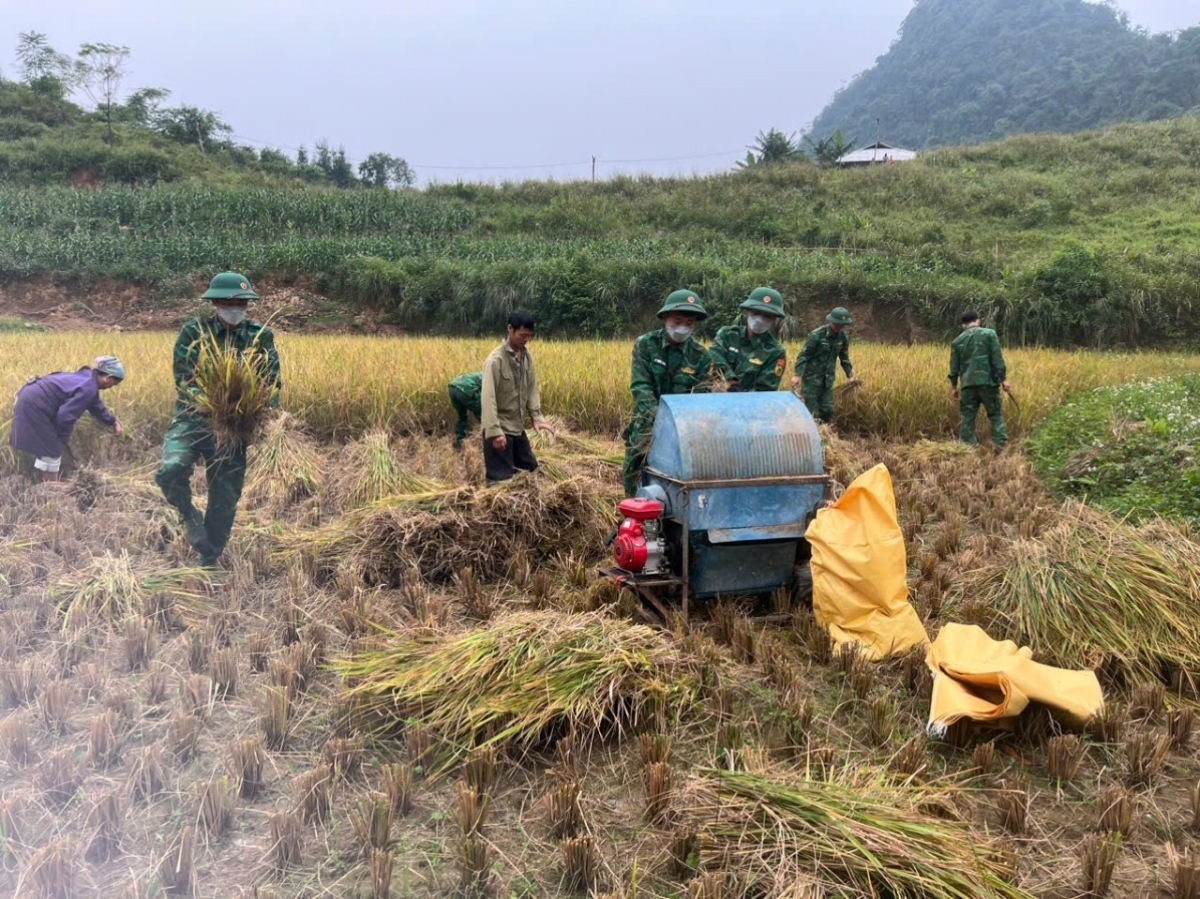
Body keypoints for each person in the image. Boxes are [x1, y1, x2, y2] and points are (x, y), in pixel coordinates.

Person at [155, 272, 281, 567]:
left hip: (235, 427)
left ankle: (209, 557)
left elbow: (272, 381)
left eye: (240, 302)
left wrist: (257, 410)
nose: (234, 306)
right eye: (227, 301)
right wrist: (214, 405)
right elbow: (184, 380)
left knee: (225, 498)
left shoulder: (260, 336)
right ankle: (188, 514)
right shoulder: (194, 333)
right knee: (170, 469)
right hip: (194, 418)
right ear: (214, 303)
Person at [622, 289, 713, 497]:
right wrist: (659, 421)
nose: (682, 327)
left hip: (683, 432)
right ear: (665, 317)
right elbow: (640, 385)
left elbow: (700, 397)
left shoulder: (701, 356)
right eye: (677, 321)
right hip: (648, 425)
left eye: (689, 323)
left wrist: (678, 427)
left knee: (678, 480)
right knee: (635, 474)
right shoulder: (646, 344)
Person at [10, 356, 125, 482]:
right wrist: (62, 438)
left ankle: (38, 479)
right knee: (52, 449)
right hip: (34, 406)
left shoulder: (86, 379)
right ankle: (51, 490)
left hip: (27, 395)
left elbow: (96, 406)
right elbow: (65, 416)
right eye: (113, 384)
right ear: (108, 379)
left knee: (47, 444)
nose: (111, 387)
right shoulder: (88, 388)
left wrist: (112, 421)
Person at [479, 310, 553, 486]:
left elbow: (531, 387)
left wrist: (537, 416)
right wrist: (495, 432)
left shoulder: (526, 357)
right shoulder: (495, 361)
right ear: (510, 329)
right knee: (501, 483)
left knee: (531, 472)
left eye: (529, 336)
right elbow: (487, 398)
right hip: (500, 428)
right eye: (522, 335)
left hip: (517, 428)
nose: (526, 339)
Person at [949, 311, 1011, 449]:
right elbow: (997, 359)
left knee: (968, 419)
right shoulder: (990, 334)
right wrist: (1004, 380)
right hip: (988, 383)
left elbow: (954, 368)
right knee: (995, 415)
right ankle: (1001, 447)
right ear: (978, 321)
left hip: (968, 385)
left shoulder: (957, 341)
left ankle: (968, 449)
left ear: (963, 325)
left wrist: (953, 387)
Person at [709, 287, 787, 392]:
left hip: (750, 405)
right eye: (756, 313)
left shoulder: (776, 352)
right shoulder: (727, 334)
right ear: (748, 310)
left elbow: (766, 388)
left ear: (774, 318)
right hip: (714, 398)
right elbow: (714, 356)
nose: (760, 319)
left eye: (767, 316)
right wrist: (731, 380)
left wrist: (742, 396)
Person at [791, 306, 858, 424]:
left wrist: (850, 375)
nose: (839, 328)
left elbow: (844, 358)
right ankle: (808, 434)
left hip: (828, 380)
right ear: (831, 321)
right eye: (837, 324)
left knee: (827, 410)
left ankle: (824, 433)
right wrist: (798, 375)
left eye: (842, 325)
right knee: (810, 409)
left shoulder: (843, 338)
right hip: (812, 379)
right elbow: (804, 356)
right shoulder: (817, 335)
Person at [447, 371, 483, 449]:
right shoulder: (489, 377)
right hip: (466, 389)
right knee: (484, 416)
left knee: (461, 416)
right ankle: (488, 440)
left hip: (452, 388)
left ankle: (459, 442)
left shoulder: (477, 375)